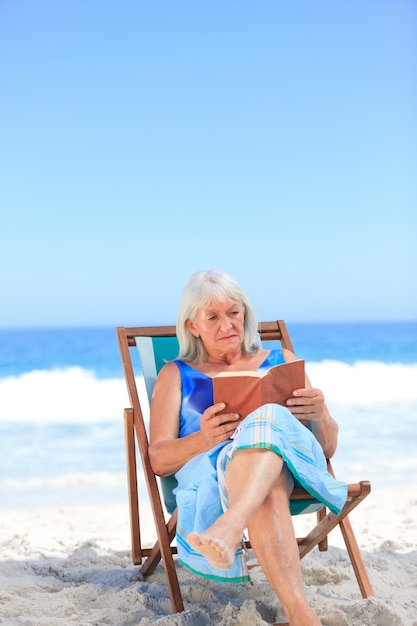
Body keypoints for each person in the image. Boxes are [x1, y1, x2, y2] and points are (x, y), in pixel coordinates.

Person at [149, 269, 347, 626]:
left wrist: (321, 415)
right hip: (227, 476)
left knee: (266, 418)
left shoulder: (282, 361)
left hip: (295, 469)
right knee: (266, 490)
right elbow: (158, 461)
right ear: (192, 325)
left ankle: (229, 525)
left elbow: (328, 447)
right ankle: (302, 617)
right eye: (212, 317)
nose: (227, 324)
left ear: (245, 313)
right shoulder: (175, 375)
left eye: (234, 312)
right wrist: (203, 439)